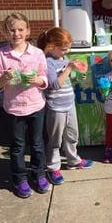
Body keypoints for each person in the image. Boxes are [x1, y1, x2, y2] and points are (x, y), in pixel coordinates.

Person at [0, 13, 50, 198]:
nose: (16, 33)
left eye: (20, 29)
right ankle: (19, 178)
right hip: (14, 108)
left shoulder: (37, 53)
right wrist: (3, 78)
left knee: (38, 144)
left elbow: (45, 78)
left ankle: (39, 174)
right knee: (17, 146)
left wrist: (39, 79)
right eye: (12, 30)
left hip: (36, 105)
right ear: (6, 32)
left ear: (27, 31)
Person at [37, 27, 93, 185]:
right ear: (51, 46)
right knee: (55, 140)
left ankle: (73, 160)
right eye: (63, 49)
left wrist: (78, 74)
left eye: (67, 48)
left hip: (69, 104)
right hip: (56, 107)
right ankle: (53, 167)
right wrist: (68, 68)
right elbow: (54, 85)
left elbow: (69, 81)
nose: (66, 51)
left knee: (72, 135)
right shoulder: (48, 62)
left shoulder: (64, 59)